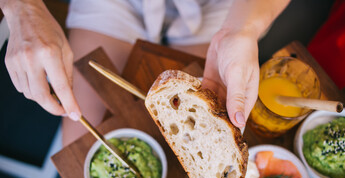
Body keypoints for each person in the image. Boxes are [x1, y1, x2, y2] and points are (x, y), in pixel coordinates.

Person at [0, 0, 290, 146]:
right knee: (79, 156)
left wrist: (242, 30)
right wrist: (23, 8)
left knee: (195, 140)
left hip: (225, 7)